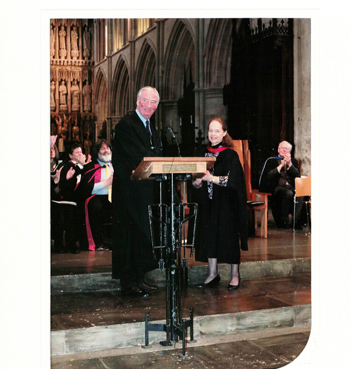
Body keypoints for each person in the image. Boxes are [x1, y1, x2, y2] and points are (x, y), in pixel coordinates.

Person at [112, 86, 162, 299]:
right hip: (129, 192)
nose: (149, 106)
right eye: (146, 101)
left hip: (144, 190)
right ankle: (129, 284)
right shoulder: (127, 124)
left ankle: (140, 278)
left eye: (153, 103)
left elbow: (157, 151)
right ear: (137, 100)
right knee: (129, 237)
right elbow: (138, 154)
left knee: (142, 235)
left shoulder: (151, 126)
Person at [193, 117, 248, 291]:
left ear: (224, 133)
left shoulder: (231, 154)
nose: (213, 134)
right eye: (211, 130)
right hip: (208, 202)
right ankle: (212, 273)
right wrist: (197, 182)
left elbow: (235, 180)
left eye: (217, 130)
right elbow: (194, 179)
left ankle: (234, 275)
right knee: (210, 237)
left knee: (229, 238)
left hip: (226, 203)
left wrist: (212, 178)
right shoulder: (202, 152)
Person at [78, 140, 113, 251]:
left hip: (114, 197)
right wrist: (105, 183)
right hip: (96, 197)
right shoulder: (90, 167)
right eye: (102, 148)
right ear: (97, 151)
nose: (106, 151)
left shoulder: (116, 165)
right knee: (95, 208)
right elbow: (85, 187)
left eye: (107, 148)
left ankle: (113, 242)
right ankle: (98, 242)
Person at [259, 141, 301, 228]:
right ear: (278, 150)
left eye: (287, 149)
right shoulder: (271, 160)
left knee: (301, 194)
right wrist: (281, 165)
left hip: (291, 187)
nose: (285, 150)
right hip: (277, 187)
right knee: (287, 193)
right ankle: (283, 222)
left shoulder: (293, 161)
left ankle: (296, 223)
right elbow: (269, 175)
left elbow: (298, 176)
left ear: (290, 151)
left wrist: (289, 164)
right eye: (283, 148)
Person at [59, 143, 89, 253]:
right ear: (71, 156)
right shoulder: (68, 166)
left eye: (81, 152)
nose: (80, 154)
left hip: (80, 199)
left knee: (80, 222)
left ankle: (82, 243)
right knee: (71, 223)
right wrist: (80, 167)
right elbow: (68, 185)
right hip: (70, 199)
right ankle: (71, 244)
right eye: (77, 153)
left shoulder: (82, 166)